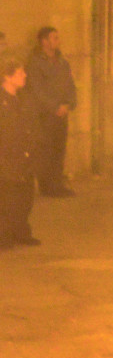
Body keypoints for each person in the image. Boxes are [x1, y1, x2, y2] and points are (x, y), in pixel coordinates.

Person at [26, 27, 76, 198]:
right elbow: (37, 90)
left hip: (62, 113)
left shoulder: (62, 62)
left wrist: (68, 104)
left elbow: (70, 85)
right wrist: (55, 107)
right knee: (45, 150)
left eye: (58, 37)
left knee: (59, 149)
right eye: (54, 38)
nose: (58, 41)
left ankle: (57, 184)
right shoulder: (35, 63)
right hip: (45, 115)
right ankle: (47, 187)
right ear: (44, 41)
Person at [0, 54, 39, 248]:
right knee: (7, 198)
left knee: (25, 197)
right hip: (7, 156)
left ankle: (21, 232)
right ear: (7, 76)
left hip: (25, 155)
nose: (24, 75)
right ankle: (4, 236)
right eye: (20, 72)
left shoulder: (23, 98)